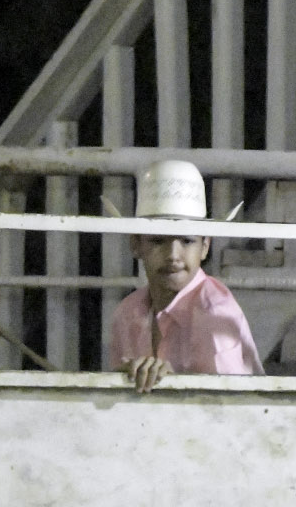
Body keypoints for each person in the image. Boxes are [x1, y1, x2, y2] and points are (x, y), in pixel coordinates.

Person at [107, 160, 262, 386]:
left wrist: (174, 384)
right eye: (158, 241)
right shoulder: (127, 312)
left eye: (187, 241)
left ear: (205, 246)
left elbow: (227, 403)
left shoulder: (215, 314)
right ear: (136, 244)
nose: (173, 255)